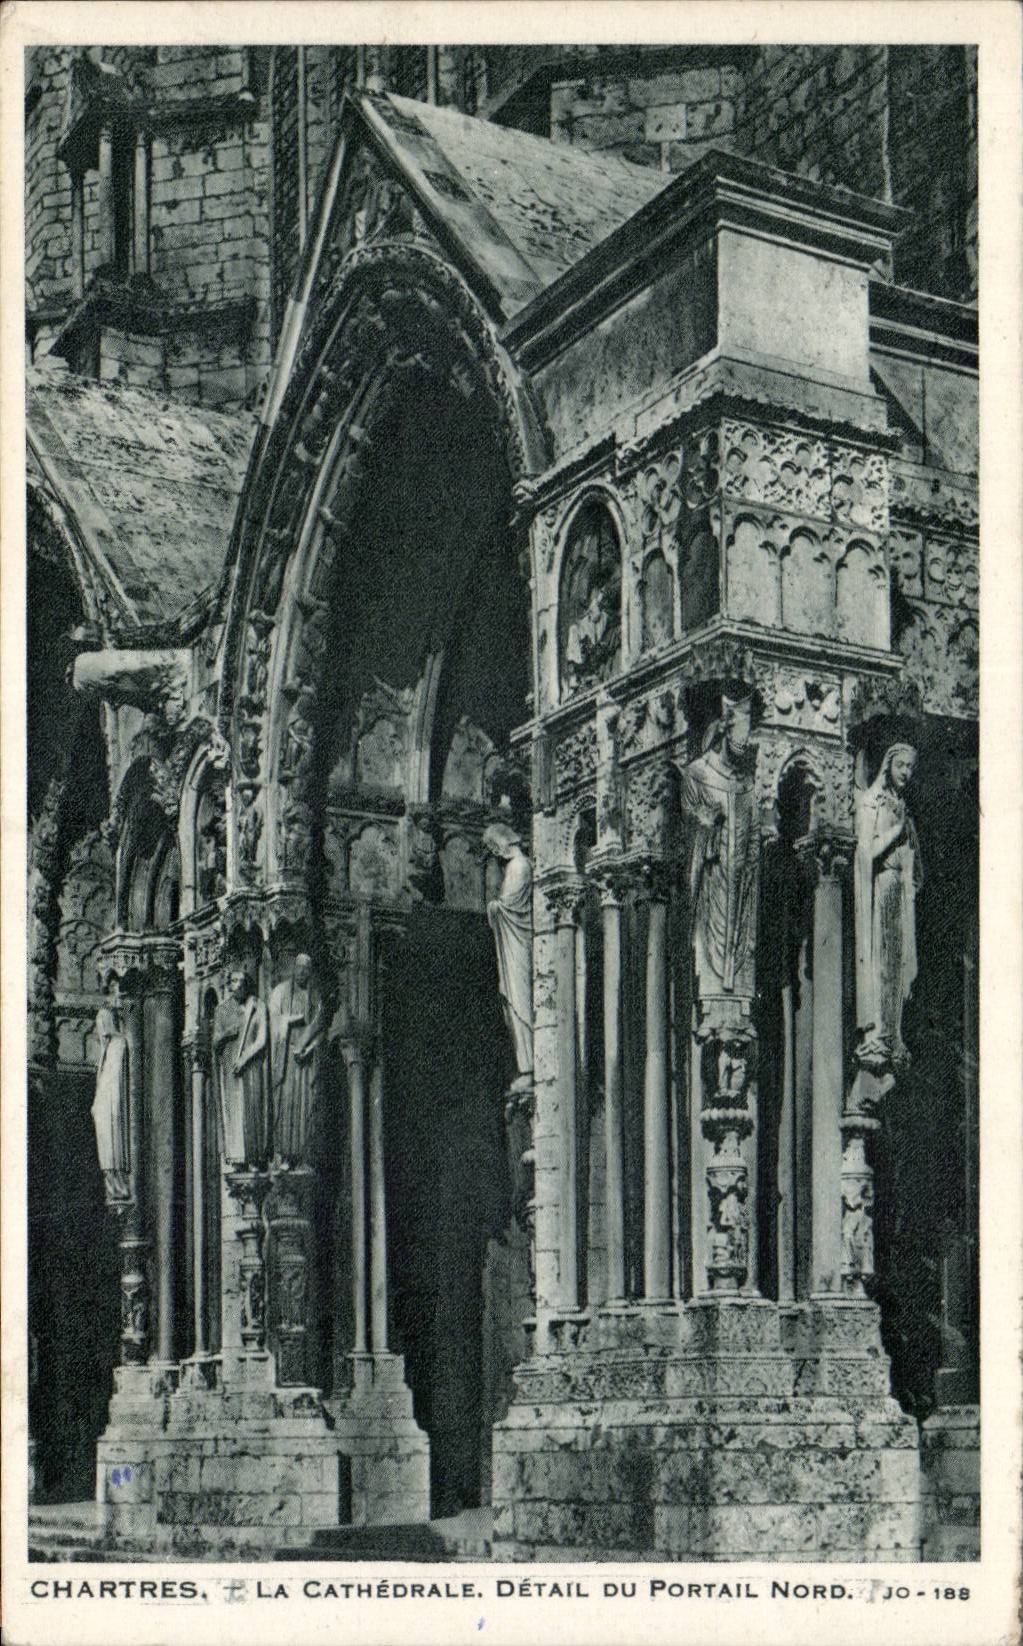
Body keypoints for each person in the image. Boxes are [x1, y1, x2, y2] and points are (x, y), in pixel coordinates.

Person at [679, 695, 761, 1025]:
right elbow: (687, 824)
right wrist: (703, 823)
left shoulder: (747, 784)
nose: (746, 742)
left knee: (740, 961)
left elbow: (754, 834)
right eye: (742, 734)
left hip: (742, 892)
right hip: (710, 883)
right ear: (726, 728)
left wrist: (752, 857)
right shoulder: (698, 773)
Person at [854, 743, 922, 1068]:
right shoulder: (873, 801)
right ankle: (878, 1033)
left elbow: (915, 866)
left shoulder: (902, 807)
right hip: (880, 887)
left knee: (898, 962)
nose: (906, 772)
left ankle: (893, 1032)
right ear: (888, 765)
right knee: (882, 960)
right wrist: (896, 831)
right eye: (901, 765)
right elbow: (865, 852)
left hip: (900, 891)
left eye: (910, 767)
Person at [484, 823, 533, 1085]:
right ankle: (526, 1064)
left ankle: (529, 1065)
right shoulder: (519, 866)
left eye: (494, 848)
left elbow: (508, 908)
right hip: (515, 943)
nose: (494, 854)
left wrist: (493, 906)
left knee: (519, 1001)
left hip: (518, 945)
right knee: (514, 1003)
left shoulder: (518, 867)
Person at [269, 953, 324, 1165]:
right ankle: (285, 1155)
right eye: (299, 967)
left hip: (306, 1061)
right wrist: (289, 1020)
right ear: (294, 968)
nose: (302, 972)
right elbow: (272, 1020)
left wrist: (309, 1047)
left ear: (310, 972)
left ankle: (304, 1155)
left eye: (306, 969)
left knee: (306, 1107)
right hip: (286, 1058)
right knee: (286, 1105)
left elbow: (320, 1027)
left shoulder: (315, 996)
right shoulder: (281, 991)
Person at [213, 969, 269, 1167]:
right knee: (234, 1112)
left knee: (252, 1108)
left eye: (242, 981)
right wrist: (227, 1033)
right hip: (230, 1068)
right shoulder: (222, 1010)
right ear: (229, 985)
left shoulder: (258, 1005)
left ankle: (255, 1157)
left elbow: (262, 1039)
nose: (238, 985)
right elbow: (215, 1042)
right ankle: (237, 1158)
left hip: (251, 1067)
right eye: (234, 981)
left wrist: (244, 1058)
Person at [91, 1004, 131, 1202]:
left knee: (113, 1148)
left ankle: (119, 1185)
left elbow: (115, 1081)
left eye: (100, 1022)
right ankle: (111, 1185)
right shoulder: (106, 1049)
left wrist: (109, 1105)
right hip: (103, 1109)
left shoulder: (118, 1044)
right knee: (106, 1150)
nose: (98, 1028)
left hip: (113, 1108)